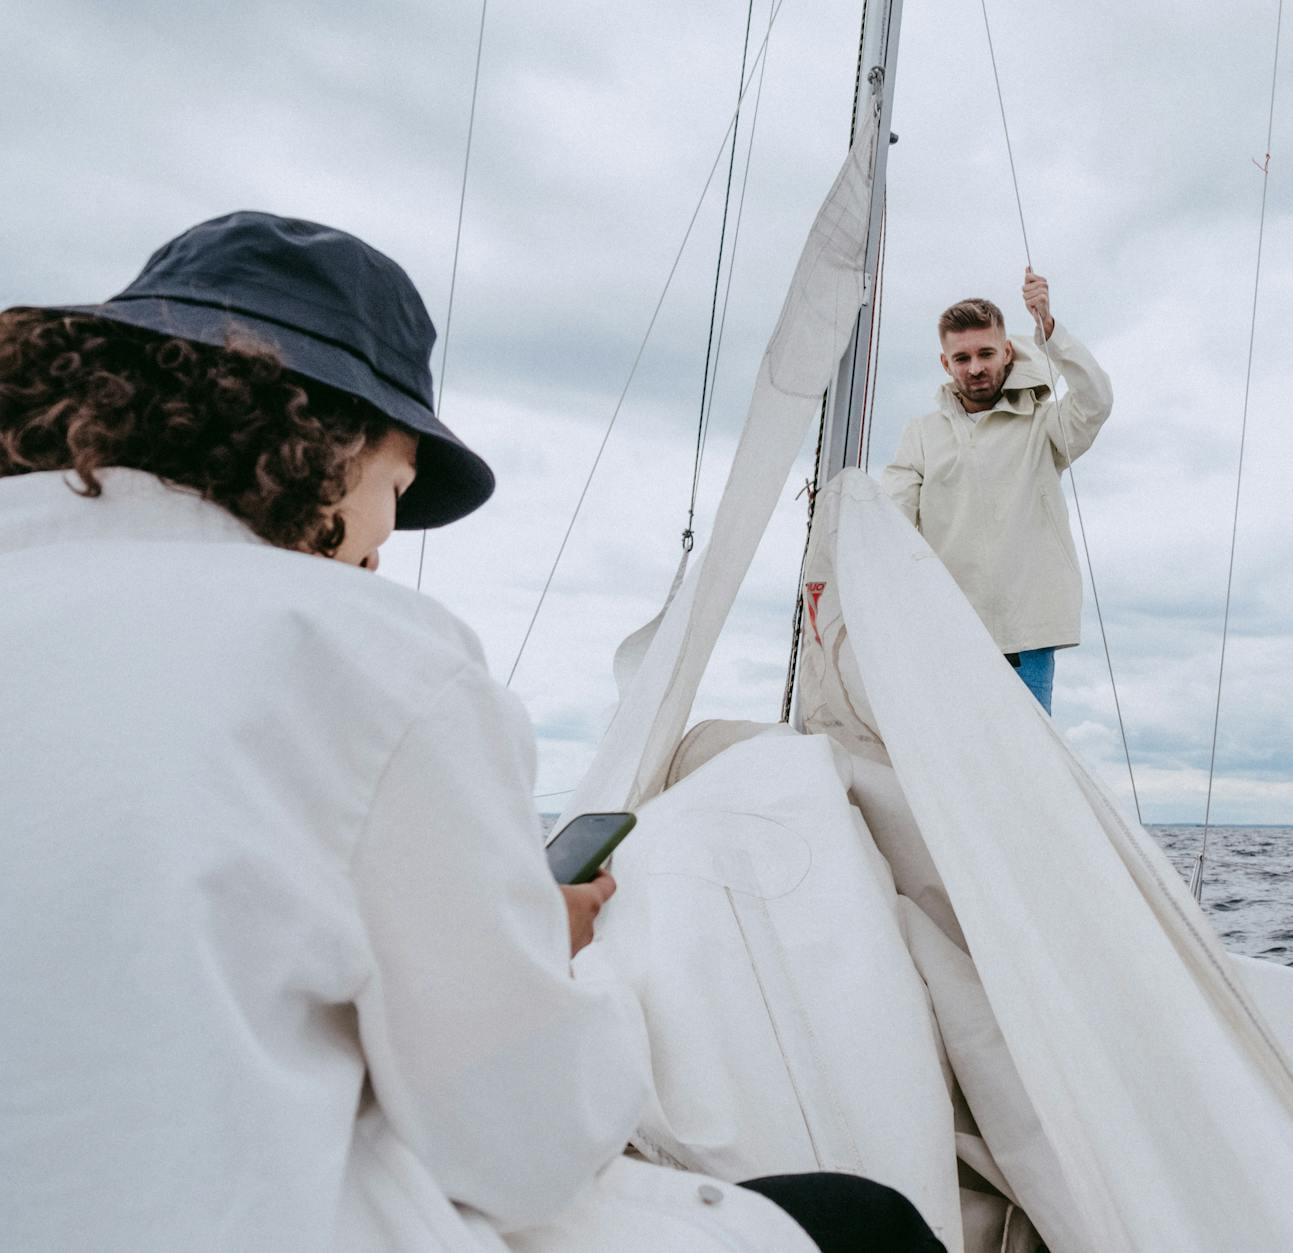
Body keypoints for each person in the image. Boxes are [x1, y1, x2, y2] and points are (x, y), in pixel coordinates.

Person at [0, 212, 941, 1253]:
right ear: (324, 439)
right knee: (866, 1223)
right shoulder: (369, 654)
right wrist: (538, 946)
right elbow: (527, 1147)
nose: (378, 549)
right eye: (394, 494)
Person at [881, 269, 1113, 713]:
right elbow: (893, 523)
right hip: (946, 633)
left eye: (986, 353)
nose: (976, 368)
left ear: (1007, 352)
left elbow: (1097, 400)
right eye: (962, 358)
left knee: (1024, 764)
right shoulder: (921, 435)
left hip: (1026, 634)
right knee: (947, 761)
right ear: (945, 364)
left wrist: (1049, 330)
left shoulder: (1042, 424)